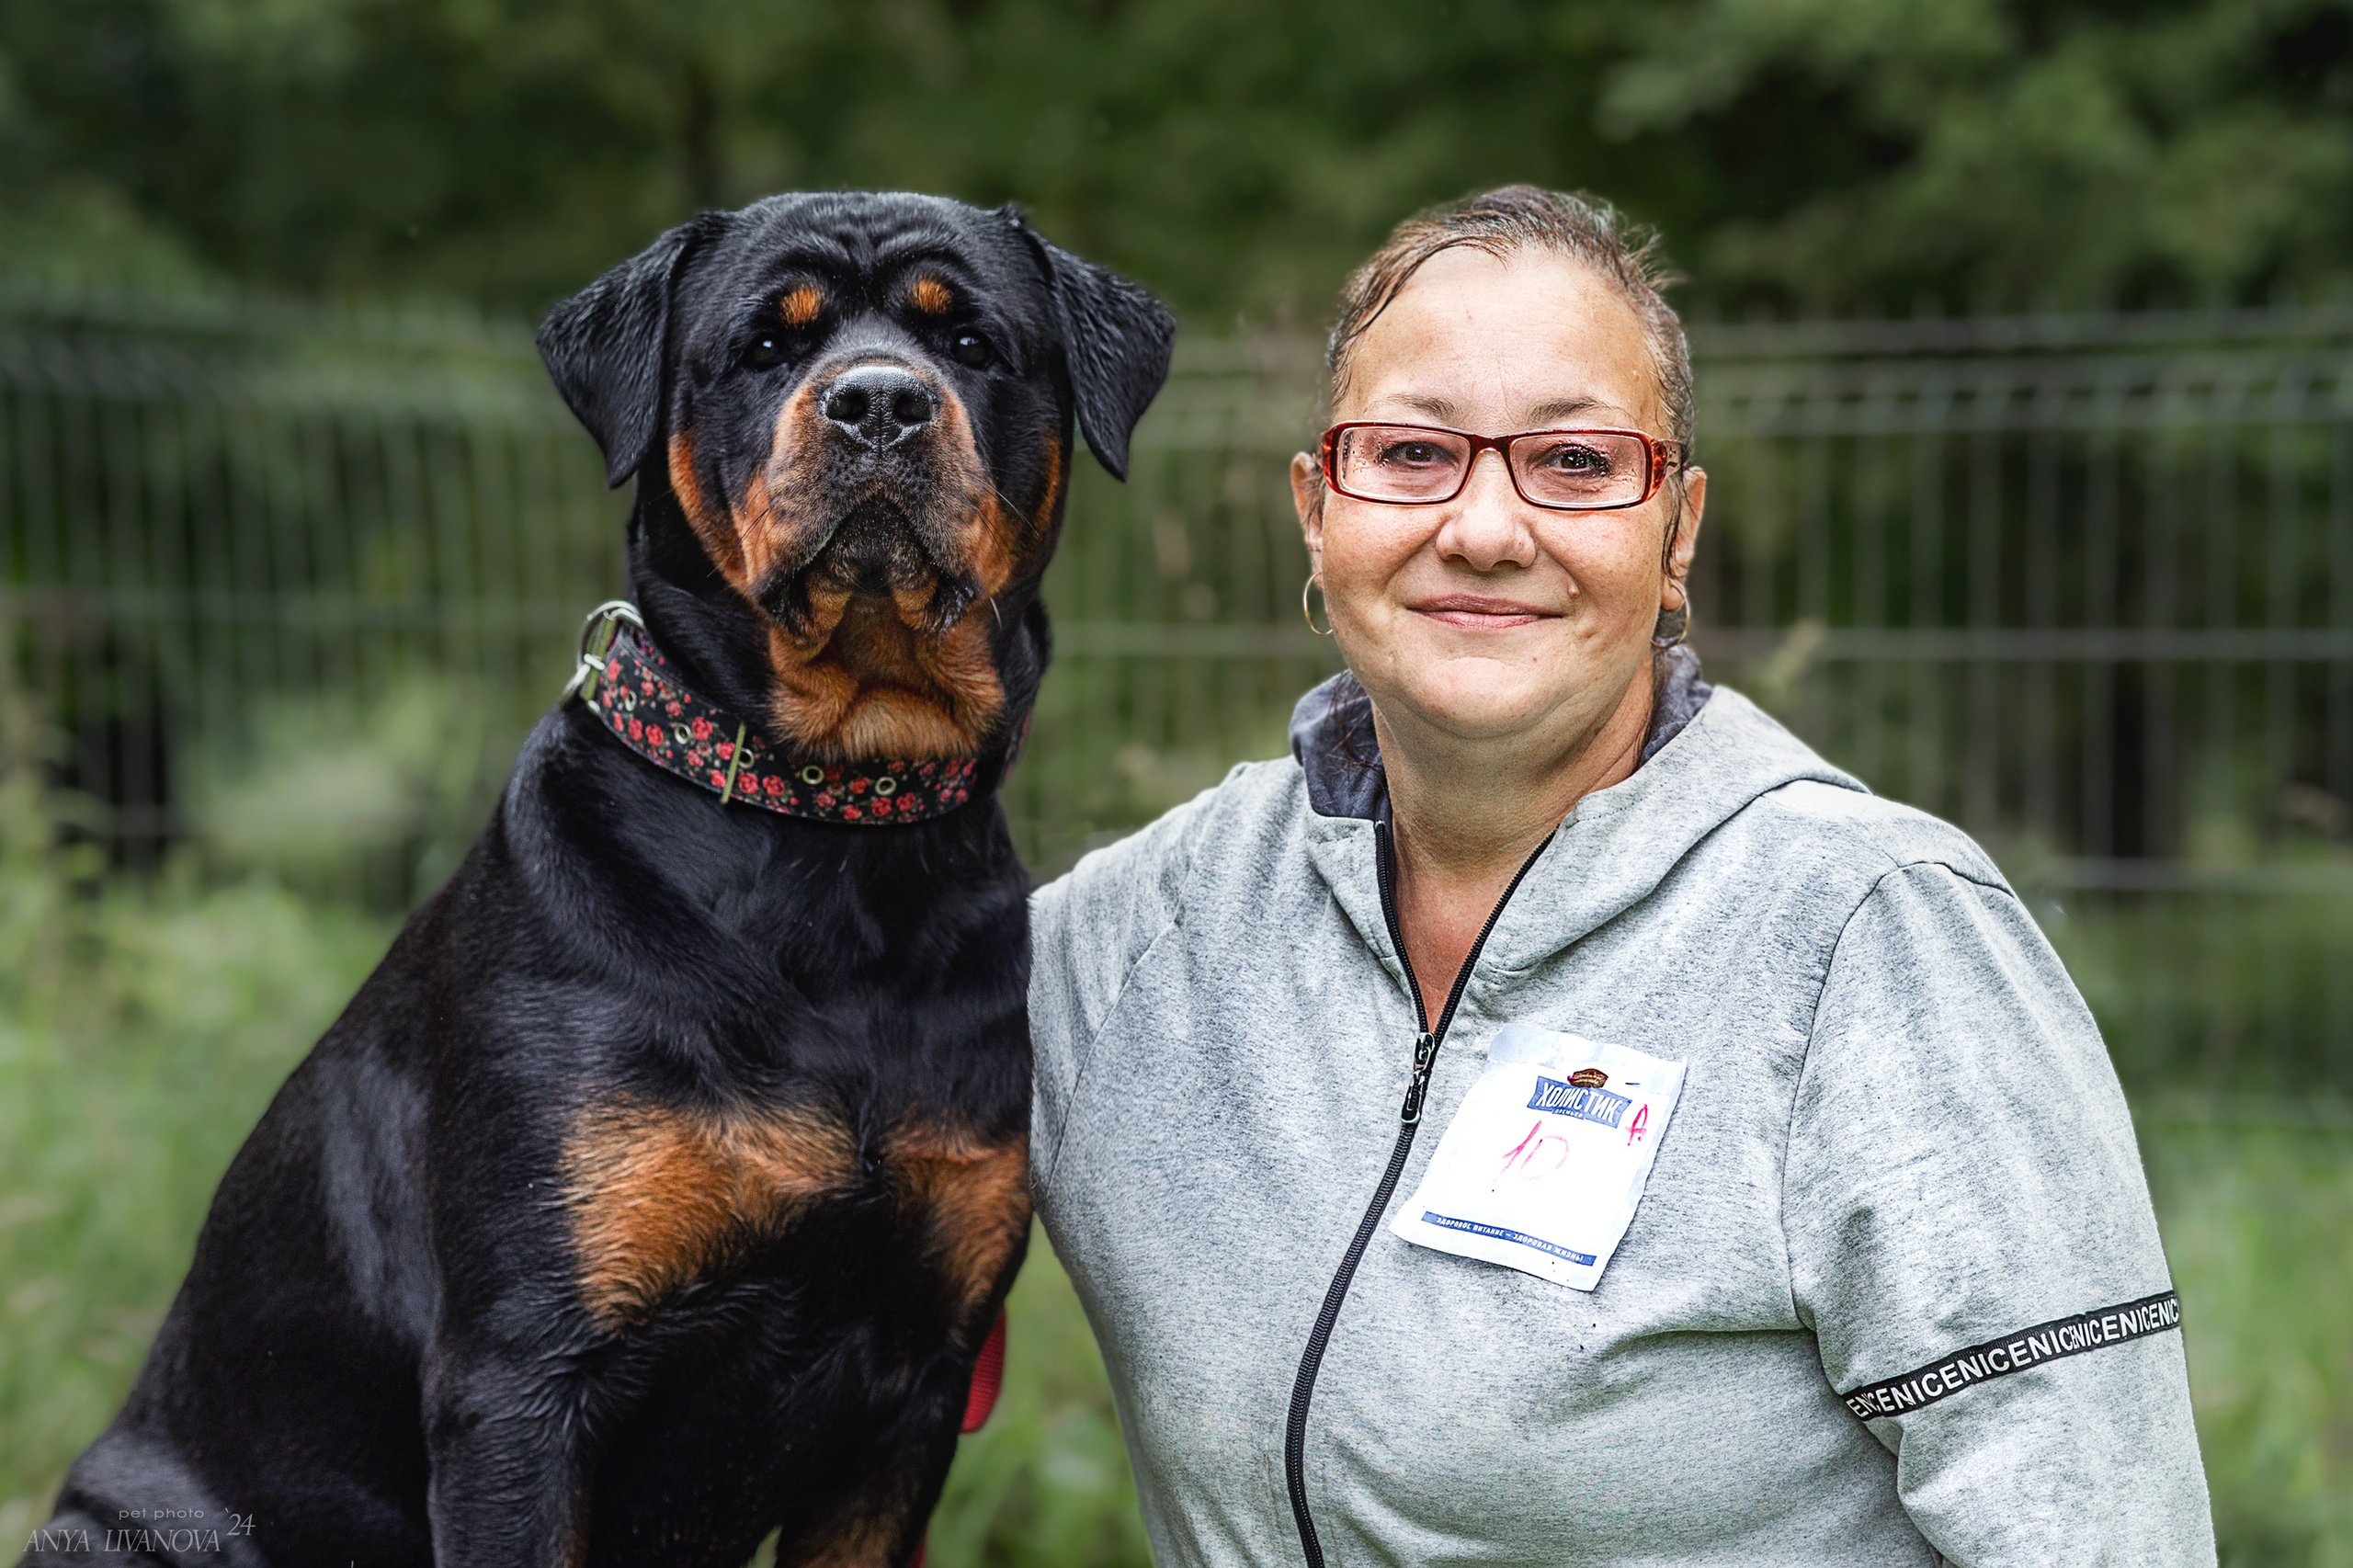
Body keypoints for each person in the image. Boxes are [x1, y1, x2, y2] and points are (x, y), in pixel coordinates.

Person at [1026, 186, 2211, 1567]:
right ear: (1315, 506)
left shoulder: (1871, 939)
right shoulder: (1133, 946)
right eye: (1411, 452)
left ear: (1679, 527)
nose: (1482, 526)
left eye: (1576, 464)